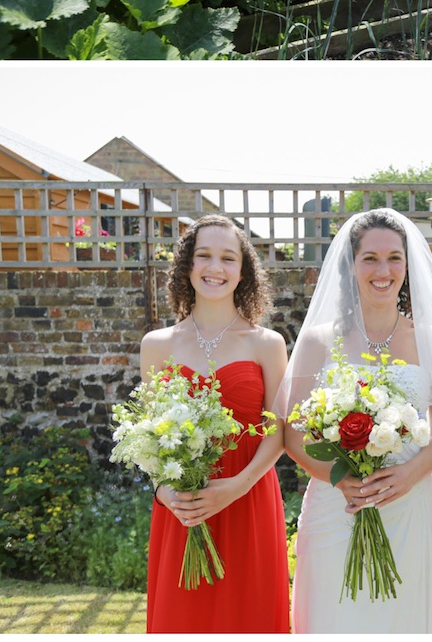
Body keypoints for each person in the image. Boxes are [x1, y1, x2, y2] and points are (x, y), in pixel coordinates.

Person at [279, 208, 432, 633]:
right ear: (351, 265)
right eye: (369, 258)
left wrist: (408, 474)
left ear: (407, 266)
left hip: (409, 508)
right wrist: (337, 477)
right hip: (337, 507)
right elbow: (292, 433)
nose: (382, 270)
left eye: (394, 258)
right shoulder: (318, 341)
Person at [142, 215, 290, 634]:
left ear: (243, 272)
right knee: (183, 615)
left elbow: (279, 430)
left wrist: (237, 486)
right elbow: (150, 434)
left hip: (247, 495)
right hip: (182, 504)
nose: (215, 268)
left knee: (250, 613)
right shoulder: (156, 345)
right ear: (187, 266)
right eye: (204, 255)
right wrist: (163, 488)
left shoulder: (266, 344)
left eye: (228, 258)